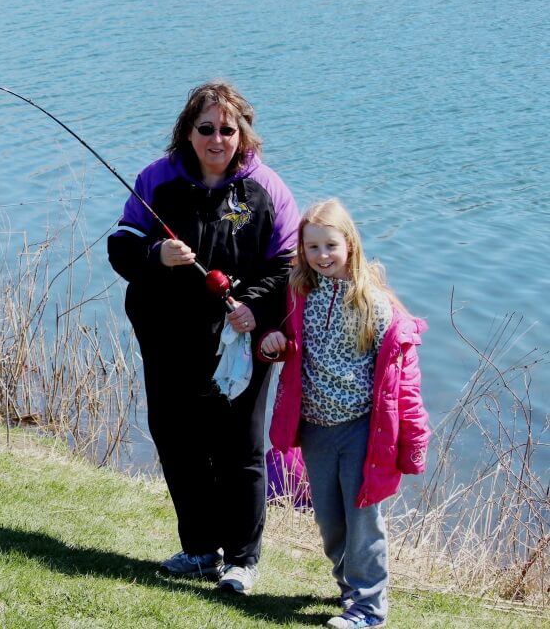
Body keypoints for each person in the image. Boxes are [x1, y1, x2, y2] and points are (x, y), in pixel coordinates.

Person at [108, 80, 300, 594]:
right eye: (206, 128)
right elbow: (122, 246)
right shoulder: (157, 180)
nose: (218, 139)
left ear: (244, 134)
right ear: (188, 132)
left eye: (228, 129)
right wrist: (156, 256)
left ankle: (242, 560)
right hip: (167, 338)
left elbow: (289, 267)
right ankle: (199, 550)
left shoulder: (268, 190)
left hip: (242, 342)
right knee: (178, 441)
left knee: (240, 449)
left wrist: (253, 308)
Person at [259, 199, 430, 629]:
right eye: (312, 247)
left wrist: (412, 440)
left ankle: (369, 609)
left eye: (330, 245)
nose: (321, 256)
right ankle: (350, 588)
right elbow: (288, 341)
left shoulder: (374, 305)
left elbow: (401, 382)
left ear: (350, 245)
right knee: (329, 519)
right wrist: (274, 341)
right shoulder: (300, 293)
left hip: (360, 430)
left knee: (363, 520)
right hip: (315, 427)